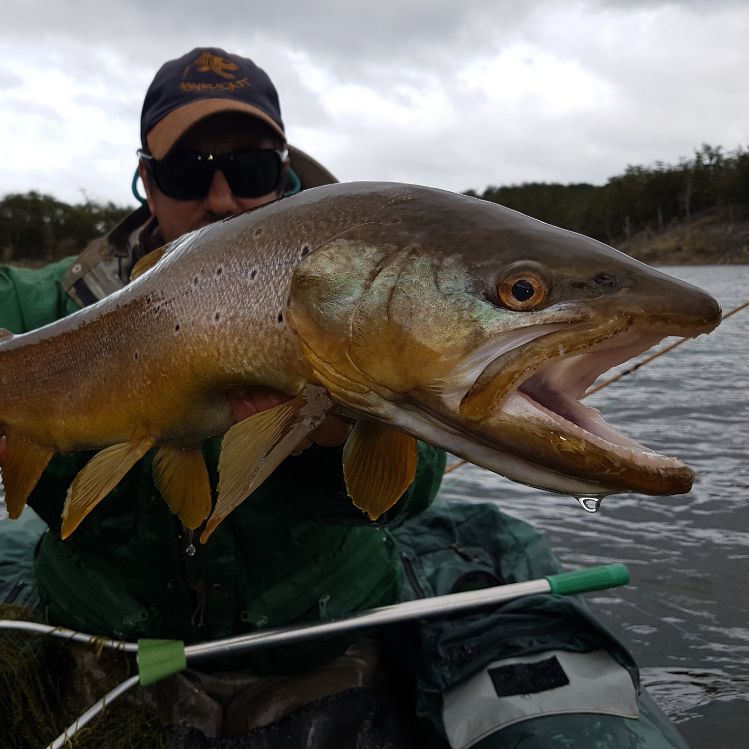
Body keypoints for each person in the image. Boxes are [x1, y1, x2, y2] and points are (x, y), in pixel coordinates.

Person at [0, 48, 690, 749]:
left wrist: (324, 442)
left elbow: (402, 489)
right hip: (100, 635)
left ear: (283, 167)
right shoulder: (37, 304)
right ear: (145, 178)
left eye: (249, 169)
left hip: (318, 645)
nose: (220, 198)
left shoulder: (349, 265)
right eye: (185, 171)